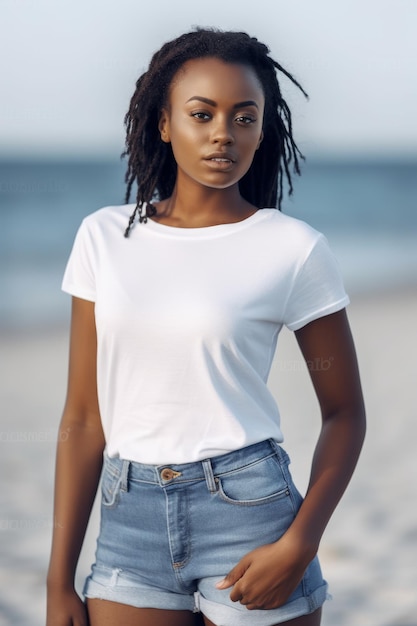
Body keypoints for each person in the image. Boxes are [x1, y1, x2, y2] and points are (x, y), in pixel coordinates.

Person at [46, 28, 366, 626]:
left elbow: (345, 413)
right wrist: (58, 578)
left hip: (249, 512)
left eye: (245, 117)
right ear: (164, 123)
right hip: (127, 522)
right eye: (202, 114)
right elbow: (84, 418)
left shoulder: (293, 250)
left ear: (261, 130)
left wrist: (301, 542)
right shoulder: (103, 237)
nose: (224, 133)